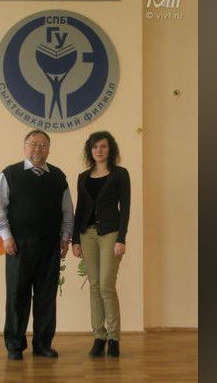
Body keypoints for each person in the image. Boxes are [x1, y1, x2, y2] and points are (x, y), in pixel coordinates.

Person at [0, 129, 73, 361]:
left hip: (50, 246)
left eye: (43, 145)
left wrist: (65, 237)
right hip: (19, 246)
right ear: (24, 147)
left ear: (49, 149)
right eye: (33, 144)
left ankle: (43, 344)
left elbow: (67, 211)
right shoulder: (10, 174)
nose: (38, 148)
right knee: (17, 297)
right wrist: (6, 237)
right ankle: (15, 345)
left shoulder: (58, 177)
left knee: (46, 296)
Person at [72, 131, 131, 358]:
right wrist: (76, 240)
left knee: (106, 285)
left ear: (110, 149)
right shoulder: (83, 177)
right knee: (95, 285)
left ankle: (114, 338)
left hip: (110, 234)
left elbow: (125, 209)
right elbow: (80, 210)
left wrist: (121, 238)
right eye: (95, 146)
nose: (99, 150)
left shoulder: (120, 174)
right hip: (87, 235)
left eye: (103, 146)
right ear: (90, 150)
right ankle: (99, 337)